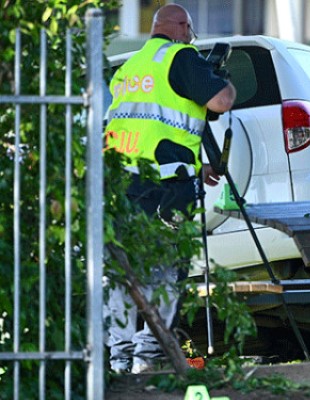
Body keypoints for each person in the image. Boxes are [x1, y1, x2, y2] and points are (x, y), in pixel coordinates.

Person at [103, 3, 236, 374]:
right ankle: (149, 355)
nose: (192, 37)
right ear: (180, 26)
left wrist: (201, 165)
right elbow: (220, 102)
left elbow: (148, 128)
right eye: (190, 30)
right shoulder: (182, 56)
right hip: (167, 188)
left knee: (122, 272)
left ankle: (118, 357)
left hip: (123, 184)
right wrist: (221, 78)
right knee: (166, 272)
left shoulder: (128, 68)